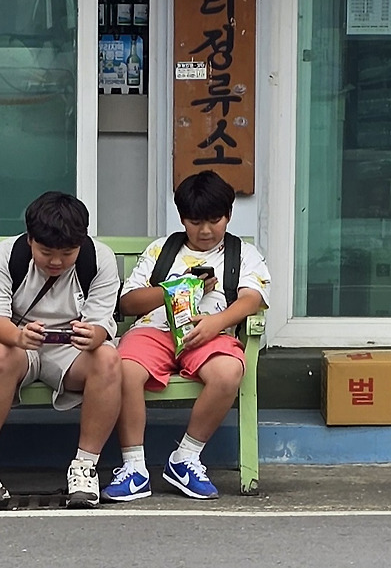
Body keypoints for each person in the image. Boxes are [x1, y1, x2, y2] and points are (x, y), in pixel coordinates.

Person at [102, 171, 269, 502]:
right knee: (124, 370)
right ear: (182, 218)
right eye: (195, 222)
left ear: (229, 215)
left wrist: (216, 322)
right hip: (154, 332)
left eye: (214, 220)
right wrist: (177, 287)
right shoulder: (162, 251)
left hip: (209, 333)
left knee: (228, 371)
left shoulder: (242, 253)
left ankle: (186, 457)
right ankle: (134, 467)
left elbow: (252, 299)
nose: (205, 230)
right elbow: (129, 302)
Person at [0, 192, 121, 510]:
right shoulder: (7, 254)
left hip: (72, 349)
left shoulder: (100, 259)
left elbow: (101, 322)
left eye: (67, 253)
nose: (56, 262)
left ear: (81, 243)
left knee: (108, 358)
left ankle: (85, 466)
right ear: (30, 239)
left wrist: (93, 335)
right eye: (46, 252)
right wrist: (18, 336)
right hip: (19, 341)